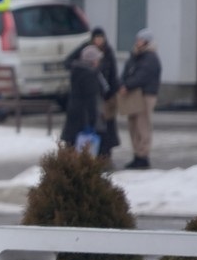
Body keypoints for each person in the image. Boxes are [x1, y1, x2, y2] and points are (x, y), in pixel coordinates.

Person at [64, 27, 120, 161]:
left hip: (99, 101)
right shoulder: (89, 73)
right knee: (96, 133)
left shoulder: (107, 53)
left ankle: (101, 156)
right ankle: (98, 160)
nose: (99, 40)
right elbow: (90, 99)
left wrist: (112, 92)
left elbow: (113, 75)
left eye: (101, 38)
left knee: (104, 130)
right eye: (96, 37)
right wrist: (92, 120)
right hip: (89, 110)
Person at [117, 28, 161, 170]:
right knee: (133, 124)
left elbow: (142, 76)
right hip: (134, 95)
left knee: (143, 125)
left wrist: (127, 85)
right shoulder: (135, 56)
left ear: (146, 41)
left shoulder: (150, 58)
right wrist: (122, 84)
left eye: (140, 40)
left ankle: (143, 155)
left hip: (145, 94)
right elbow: (127, 72)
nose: (137, 42)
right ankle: (136, 154)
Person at [59, 44, 103, 153]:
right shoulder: (90, 75)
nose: (99, 62)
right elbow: (91, 99)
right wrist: (93, 121)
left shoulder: (76, 70)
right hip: (84, 116)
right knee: (82, 149)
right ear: (92, 60)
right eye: (97, 59)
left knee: (71, 144)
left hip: (74, 111)